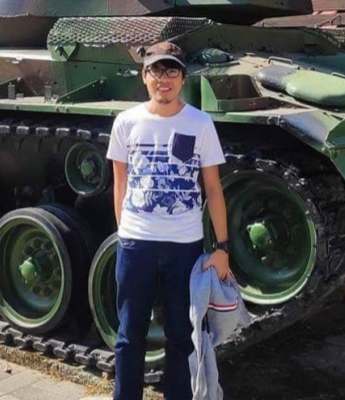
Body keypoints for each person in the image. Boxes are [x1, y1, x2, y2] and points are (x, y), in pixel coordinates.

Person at [106, 41, 231, 400]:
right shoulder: (126, 122)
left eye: (172, 70)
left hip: (184, 246)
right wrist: (125, 233)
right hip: (137, 244)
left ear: (183, 78)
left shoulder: (200, 123)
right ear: (144, 76)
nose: (164, 78)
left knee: (182, 335)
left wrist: (222, 248)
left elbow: (213, 188)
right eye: (156, 70)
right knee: (130, 335)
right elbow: (120, 184)